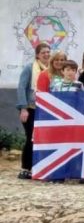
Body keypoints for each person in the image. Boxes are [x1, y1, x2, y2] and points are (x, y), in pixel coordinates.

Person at [16, 42, 50, 180]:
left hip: (46, 109)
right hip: (31, 108)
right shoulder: (30, 68)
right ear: (37, 55)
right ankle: (25, 168)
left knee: (45, 139)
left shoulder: (51, 69)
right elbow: (21, 88)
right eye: (43, 52)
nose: (46, 54)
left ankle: (40, 167)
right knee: (31, 138)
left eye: (48, 52)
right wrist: (23, 108)